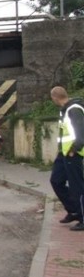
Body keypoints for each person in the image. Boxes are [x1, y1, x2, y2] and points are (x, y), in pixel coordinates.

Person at [49, 86, 84, 232]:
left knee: (78, 187)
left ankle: (82, 217)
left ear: (55, 97)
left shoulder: (74, 110)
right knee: (56, 180)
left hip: (73, 154)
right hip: (63, 153)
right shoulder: (64, 110)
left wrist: (73, 150)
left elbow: (81, 132)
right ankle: (73, 210)